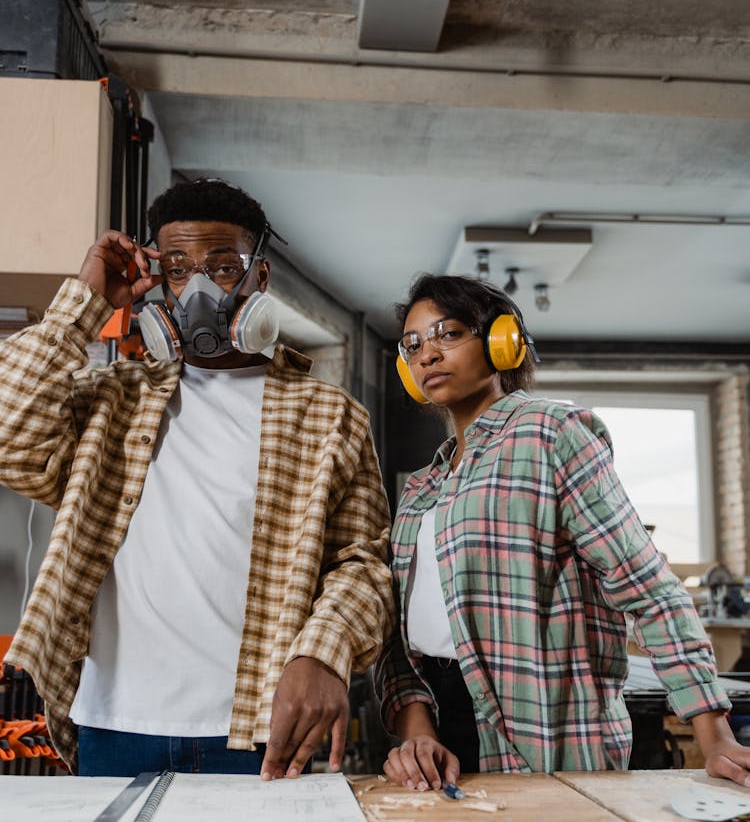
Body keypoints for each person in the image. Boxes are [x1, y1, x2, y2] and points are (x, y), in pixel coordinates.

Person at [0, 178, 394, 777]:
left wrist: (325, 653)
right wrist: (85, 301)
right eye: (178, 268)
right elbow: (9, 436)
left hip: (260, 730)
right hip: (115, 724)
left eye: (223, 266)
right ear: (158, 281)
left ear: (260, 278)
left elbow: (364, 563)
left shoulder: (329, 415)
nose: (199, 287)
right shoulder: (110, 401)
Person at [375, 273, 750, 790]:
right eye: (413, 345)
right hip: (440, 734)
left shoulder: (553, 435)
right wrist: (416, 731)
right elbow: (399, 634)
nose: (428, 355)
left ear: (502, 341)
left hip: (549, 733)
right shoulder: (422, 487)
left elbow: (647, 588)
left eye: (449, 333)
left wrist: (714, 733)